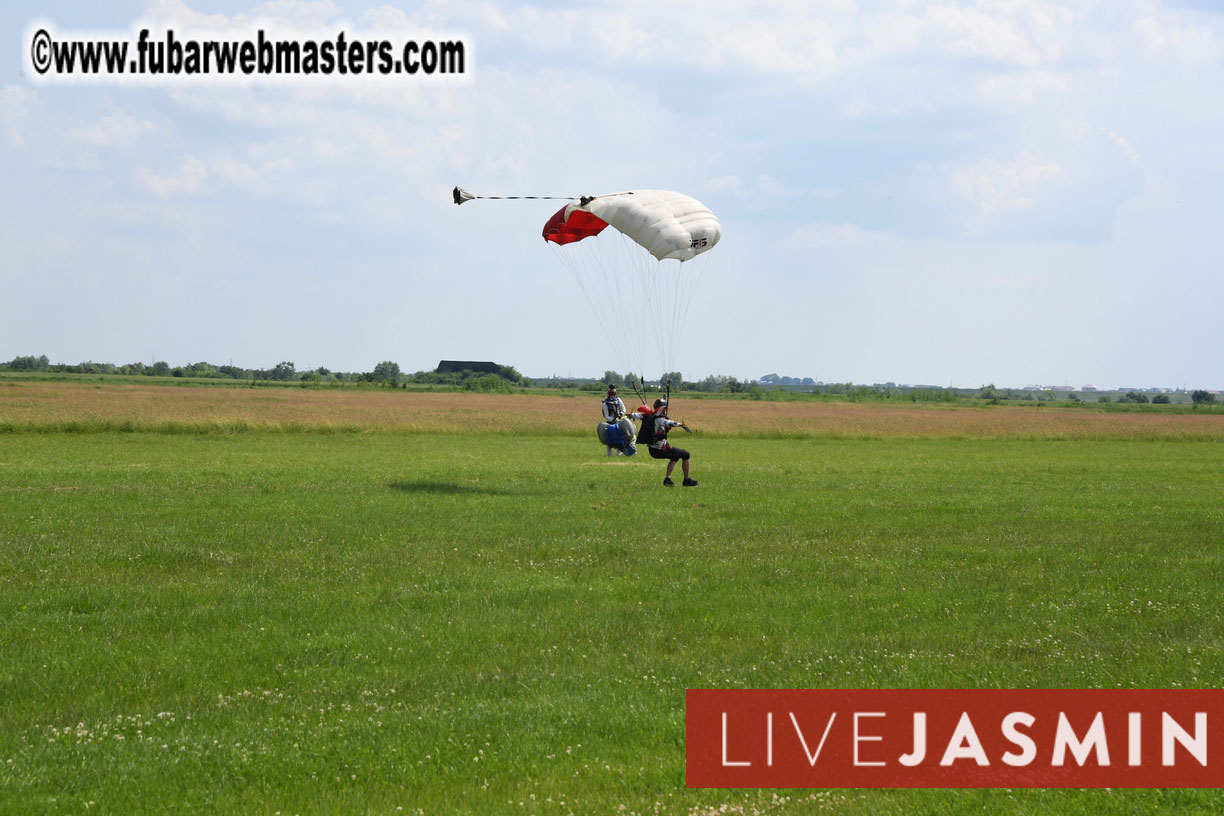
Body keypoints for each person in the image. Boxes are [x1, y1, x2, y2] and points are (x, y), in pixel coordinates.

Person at [633, 398, 697, 486]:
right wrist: (681, 425)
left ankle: (668, 479)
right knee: (686, 454)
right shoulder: (659, 420)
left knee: (675, 456)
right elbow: (669, 423)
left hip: (652, 450)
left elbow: (635, 415)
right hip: (661, 449)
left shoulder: (648, 417)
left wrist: (626, 415)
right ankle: (686, 480)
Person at [600, 386, 632, 456]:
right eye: (611, 395)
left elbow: (624, 409)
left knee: (621, 438)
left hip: (619, 422)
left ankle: (619, 454)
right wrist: (613, 419)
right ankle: (609, 455)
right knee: (609, 440)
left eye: (613, 395)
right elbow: (606, 416)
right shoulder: (605, 403)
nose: (612, 396)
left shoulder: (619, 400)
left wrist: (621, 414)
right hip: (610, 423)